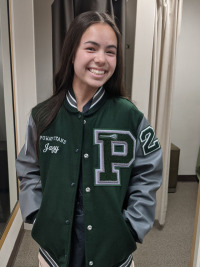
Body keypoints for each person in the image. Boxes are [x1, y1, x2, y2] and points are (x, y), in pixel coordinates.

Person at [16, 11, 162, 267]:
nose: (101, 59)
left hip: (111, 251)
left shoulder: (130, 118)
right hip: (54, 251)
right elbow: (29, 170)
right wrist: (39, 216)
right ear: (72, 51)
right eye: (91, 48)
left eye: (110, 51)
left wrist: (131, 227)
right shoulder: (42, 116)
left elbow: (148, 175)